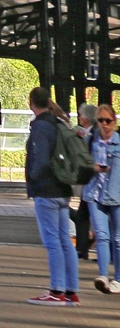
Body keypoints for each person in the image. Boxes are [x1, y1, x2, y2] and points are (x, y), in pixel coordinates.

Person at [25, 87, 80, 305]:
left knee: (53, 242)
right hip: (62, 190)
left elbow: (42, 159)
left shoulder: (40, 127)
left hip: (46, 191)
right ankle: (71, 292)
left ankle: (56, 291)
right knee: (65, 240)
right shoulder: (59, 123)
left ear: (31, 103)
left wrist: (33, 179)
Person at [90, 104, 120, 293]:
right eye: (100, 120)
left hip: (117, 195)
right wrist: (91, 167)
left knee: (118, 239)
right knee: (102, 236)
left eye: (108, 121)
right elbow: (81, 161)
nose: (104, 124)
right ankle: (103, 275)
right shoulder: (91, 141)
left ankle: (118, 279)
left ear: (114, 123)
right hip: (95, 194)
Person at [74, 104, 99, 259]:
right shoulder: (88, 132)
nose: (79, 118)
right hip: (90, 183)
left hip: (93, 182)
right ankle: (83, 246)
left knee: (84, 215)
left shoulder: (94, 134)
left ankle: (83, 247)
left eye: (80, 115)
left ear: (86, 118)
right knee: (84, 215)